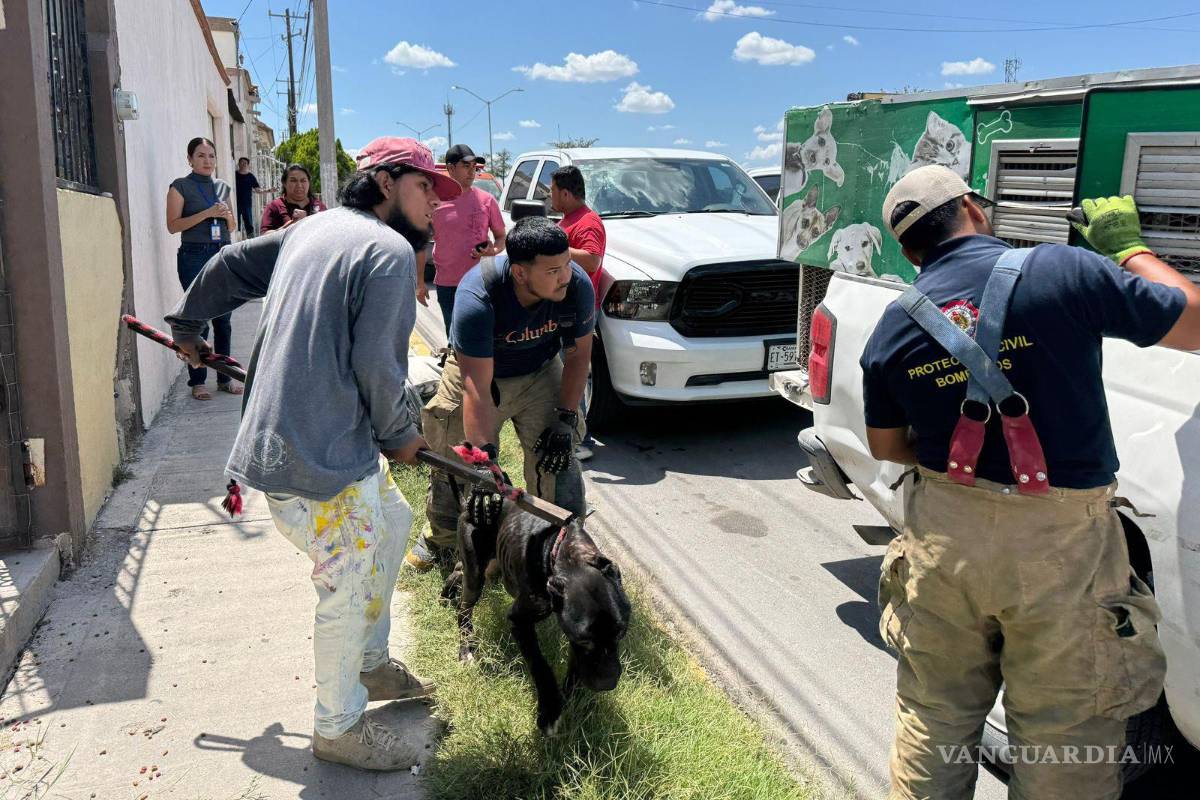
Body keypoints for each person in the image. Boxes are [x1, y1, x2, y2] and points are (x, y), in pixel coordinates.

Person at [861, 166, 1200, 800]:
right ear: (973, 208)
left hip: (943, 541)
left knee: (933, 720)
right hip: (1062, 550)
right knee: (1065, 736)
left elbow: (887, 447)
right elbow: (1196, 324)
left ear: (909, 252)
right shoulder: (1062, 271)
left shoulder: (893, 327)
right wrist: (1129, 247)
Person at [165, 137, 462, 771]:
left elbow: (228, 265)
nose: (436, 203)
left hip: (294, 443)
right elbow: (378, 368)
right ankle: (339, 726)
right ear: (384, 182)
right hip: (320, 459)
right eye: (425, 188)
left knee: (394, 525)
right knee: (346, 586)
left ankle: (371, 664)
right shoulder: (387, 251)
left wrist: (188, 326)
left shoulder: (313, 229)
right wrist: (402, 433)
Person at [406, 216, 596, 571]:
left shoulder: (578, 287)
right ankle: (441, 538)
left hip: (540, 370)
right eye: (553, 271)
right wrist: (484, 461)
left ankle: (562, 551)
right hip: (477, 372)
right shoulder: (477, 296)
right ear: (521, 273)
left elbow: (578, 355)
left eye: (567, 265)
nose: (566, 277)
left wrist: (565, 418)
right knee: (457, 458)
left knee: (560, 455)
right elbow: (477, 385)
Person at [165, 137, 241, 401]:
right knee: (198, 320)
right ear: (190, 159)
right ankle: (197, 381)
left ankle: (224, 377)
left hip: (222, 255)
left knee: (224, 320)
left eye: (211, 156)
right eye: (200, 156)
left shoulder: (223, 187)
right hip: (194, 256)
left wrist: (226, 216)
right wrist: (207, 213)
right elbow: (173, 225)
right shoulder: (180, 186)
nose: (207, 161)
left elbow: (231, 227)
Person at [417, 144, 506, 337]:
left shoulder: (487, 200)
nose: (472, 171)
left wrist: (494, 250)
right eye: (466, 166)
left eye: (475, 166)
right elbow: (420, 243)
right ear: (450, 169)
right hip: (448, 285)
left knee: (484, 336)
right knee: (455, 338)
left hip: (481, 282)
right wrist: (419, 283)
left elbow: (501, 238)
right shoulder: (435, 201)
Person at [549, 165, 606, 460]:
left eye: (553, 191)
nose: (550, 196)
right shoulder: (569, 220)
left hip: (576, 311)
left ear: (567, 193)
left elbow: (593, 260)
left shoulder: (587, 222)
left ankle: (582, 440)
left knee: (573, 373)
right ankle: (573, 434)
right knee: (563, 373)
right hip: (564, 308)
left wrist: (554, 247)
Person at [260, 164, 328, 233]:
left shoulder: (319, 206)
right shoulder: (274, 207)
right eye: (293, 181)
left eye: (303, 180)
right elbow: (264, 236)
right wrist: (291, 225)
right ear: (284, 183)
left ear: (309, 182)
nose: (299, 185)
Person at [234, 157, 261, 237]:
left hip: (247, 204)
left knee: (249, 224)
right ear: (238, 164)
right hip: (236, 204)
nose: (243, 165)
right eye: (241, 163)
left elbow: (258, 190)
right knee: (236, 224)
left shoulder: (251, 176)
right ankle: (237, 241)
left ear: (248, 165)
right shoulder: (234, 174)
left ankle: (251, 241)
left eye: (245, 163)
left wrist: (269, 190)